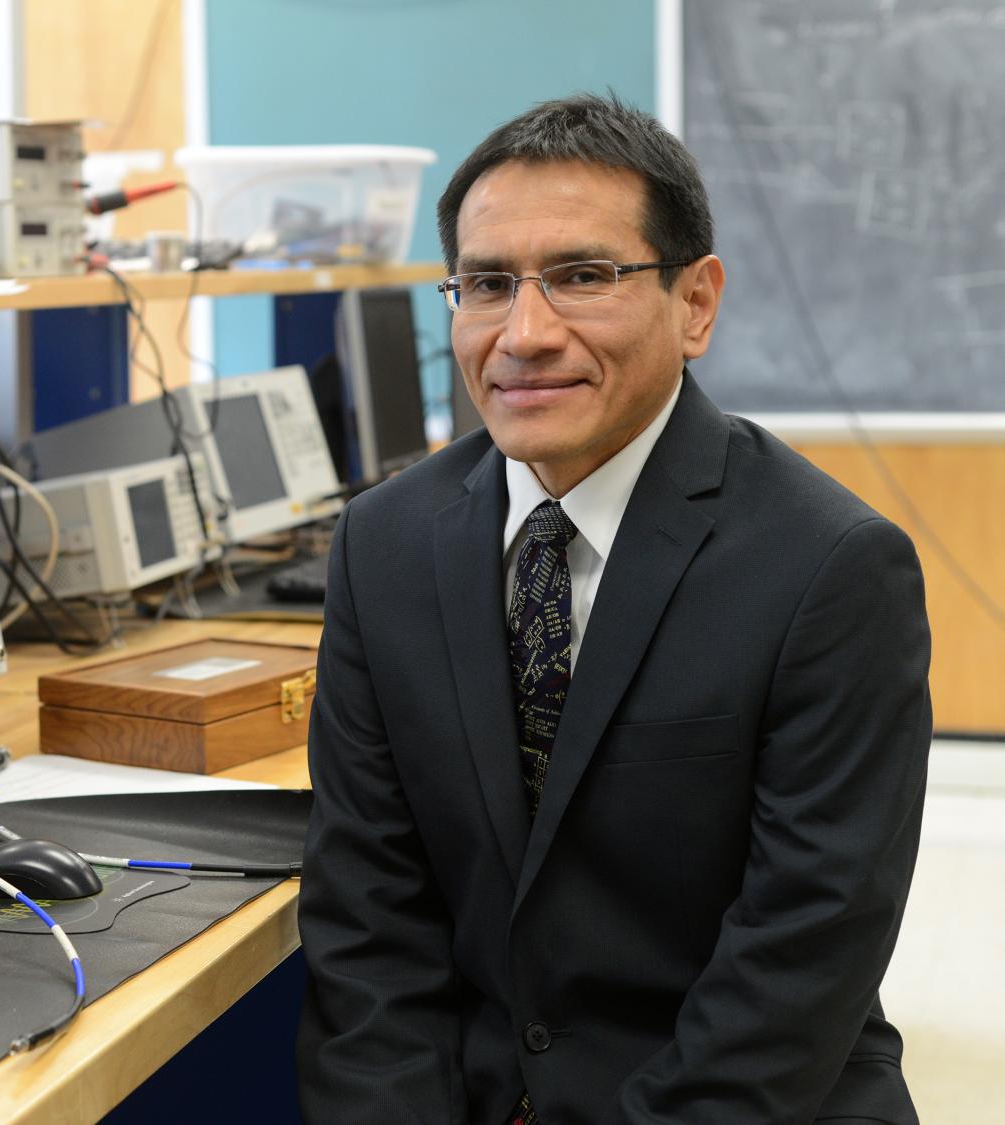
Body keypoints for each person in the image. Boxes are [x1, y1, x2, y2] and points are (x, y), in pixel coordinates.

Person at [296, 93, 930, 1125]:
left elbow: (803, 959)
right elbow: (367, 921)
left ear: (696, 303)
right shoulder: (385, 544)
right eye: (488, 285)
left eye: (584, 277)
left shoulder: (832, 568)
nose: (525, 333)